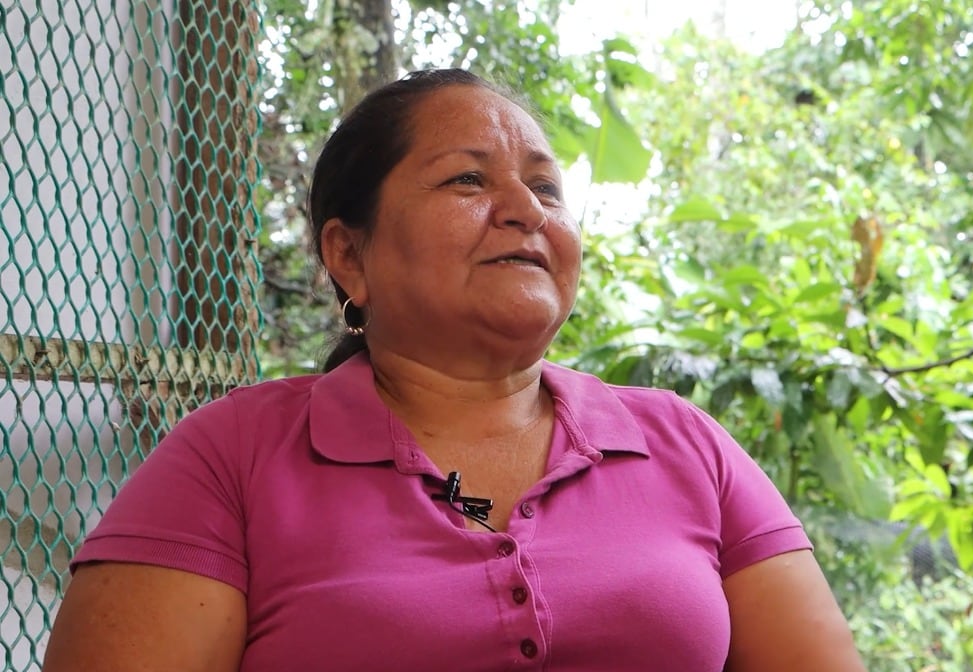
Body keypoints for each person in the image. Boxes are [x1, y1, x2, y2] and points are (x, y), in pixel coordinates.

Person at [43, 68, 866, 671]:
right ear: (348, 254)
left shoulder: (683, 442)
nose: (524, 210)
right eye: (469, 179)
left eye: (546, 189)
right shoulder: (231, 457)